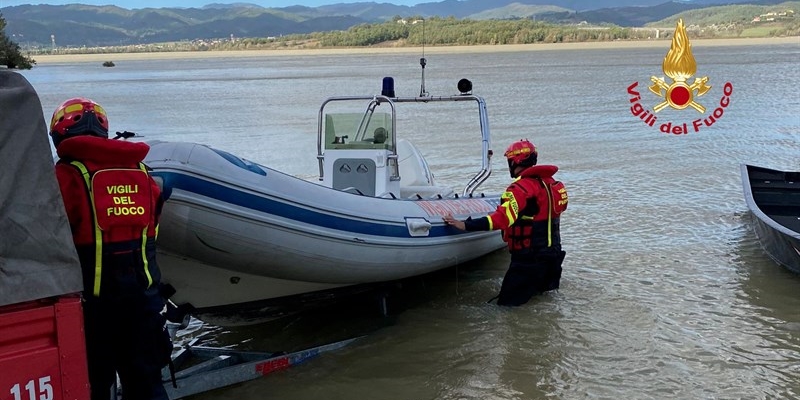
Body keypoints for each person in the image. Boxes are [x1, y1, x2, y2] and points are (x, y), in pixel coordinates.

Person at [50, 97, 171, 400]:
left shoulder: (66, 176)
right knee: (148, 386)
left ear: (59, 135)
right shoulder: (144, 175)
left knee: (92, 386)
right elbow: (152, 228)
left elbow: (49, 235)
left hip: (92, 308)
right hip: (144, 303)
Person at [443, 139, 568, 306]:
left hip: (528, 261)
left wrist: (465, 225)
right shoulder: (554, 185)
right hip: (553, 258)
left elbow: (500, 220)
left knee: (505, 309)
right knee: (543, 303)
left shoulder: (519, 189)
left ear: (515, 161)